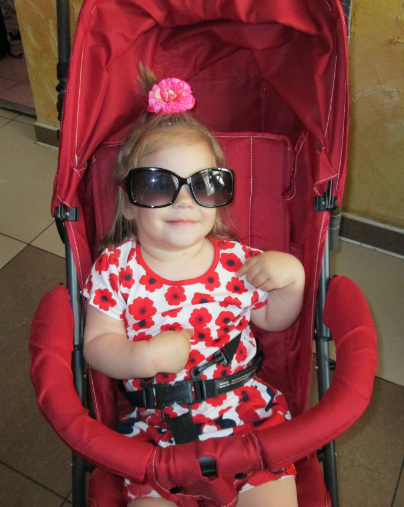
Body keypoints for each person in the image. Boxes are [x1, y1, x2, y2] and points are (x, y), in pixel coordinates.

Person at [82, 69, 305, 507]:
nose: (185, 200)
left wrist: (292, 278)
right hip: (156, 426)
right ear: (128, 202)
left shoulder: (238, 261)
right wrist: (141, 357)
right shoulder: (115, 268)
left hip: (244, 415)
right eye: (157, 184)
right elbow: (97, 344)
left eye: (204, 184)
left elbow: (273, 319)